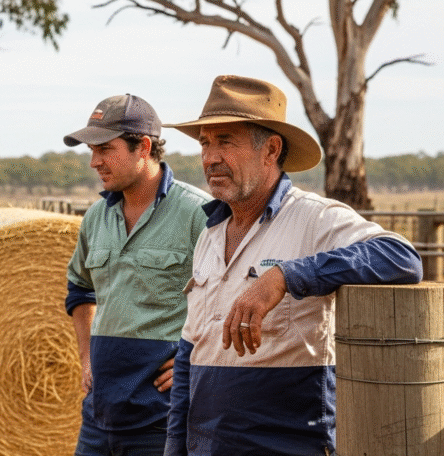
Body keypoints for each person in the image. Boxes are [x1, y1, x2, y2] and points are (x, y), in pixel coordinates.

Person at [162, 75, 424, 456]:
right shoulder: (211, 233)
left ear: (270, 149)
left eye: (225, 141)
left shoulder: (313, 219)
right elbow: (190, 353)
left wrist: (284, 276)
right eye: (205, 142)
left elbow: (401, 257)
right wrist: (173, 448)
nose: (210, 157)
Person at [63, 93, 212, 456]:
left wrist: (197, 363)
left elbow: (232, 297)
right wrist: (86, 359)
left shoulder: (200, 214)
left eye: (105, 149)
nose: (95, 162)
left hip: (165, 418)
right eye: (91, 151)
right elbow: (80, 290)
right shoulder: (96, 217)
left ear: (143, 147)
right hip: (99, 415)